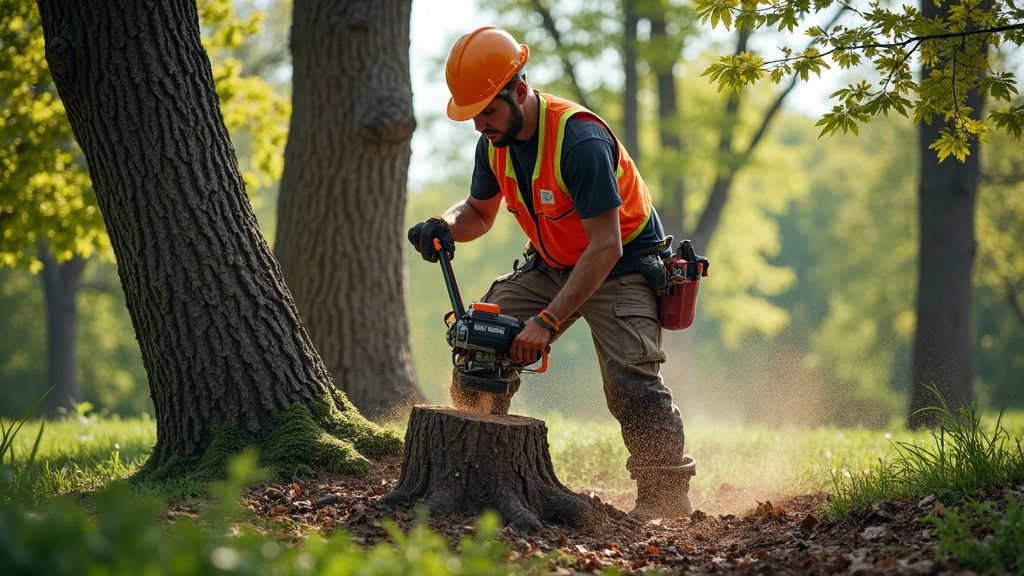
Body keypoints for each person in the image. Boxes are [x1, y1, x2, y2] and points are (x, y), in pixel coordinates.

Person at [408, 26, 696, 521]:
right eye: (473, 116)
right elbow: (477, 213)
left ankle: (665, 498)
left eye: (488, 112)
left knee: (633, 383)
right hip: (552, 264)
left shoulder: (578, 140)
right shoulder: (494, 141)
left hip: (620, 268)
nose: (480, 125)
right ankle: (476, 478)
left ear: (519, 91)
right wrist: (444, 225)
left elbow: (606, 247)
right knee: (480, 342)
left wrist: (547, 320)